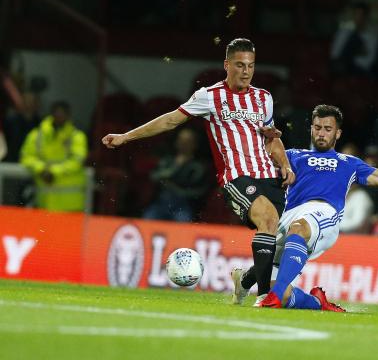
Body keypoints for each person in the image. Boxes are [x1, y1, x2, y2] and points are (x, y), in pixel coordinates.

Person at [102, 38, 295, 301]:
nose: (246, 71)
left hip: (269, 177)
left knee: (274, 236)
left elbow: (272, 139)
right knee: (268, 220)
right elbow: (170, 120)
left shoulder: (264, 99)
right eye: (239, 65)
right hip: (237, 177)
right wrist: (126, 136)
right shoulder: (210, 96)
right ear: (226, 65)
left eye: (250, 66)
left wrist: (284, 164)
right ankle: (265, 297)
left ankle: (244, 280)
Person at [232, 105, 378, 311]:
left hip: (324, 213)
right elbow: (258, 155)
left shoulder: (349, 163)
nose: (321, 133)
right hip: (291, 215)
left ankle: (272, 296)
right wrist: (265, 138)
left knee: (299, 229)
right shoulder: (292, 156)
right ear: (311, 129)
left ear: (338, 133)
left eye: (328, 129)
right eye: (318, 127)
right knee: (284, 286)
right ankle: (266, 287)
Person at [20, 101, 88, 211]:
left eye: (62, 114)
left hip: (70, 204)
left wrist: (53, 171)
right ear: (51, 114)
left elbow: (78, 160)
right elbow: (26, 157)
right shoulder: (38, 134)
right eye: (57, 113)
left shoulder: (77, 136)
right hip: (44, 201)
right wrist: (41, 169)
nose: (59, 117)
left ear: (68, 115)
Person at [142, 128, 209, 222]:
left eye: (188, 141)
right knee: (147, 221)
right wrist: (177, 166)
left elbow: (199, 192)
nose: (183, 144)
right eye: (181, 140)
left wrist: (177, 190)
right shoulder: (167, 161)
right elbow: (154, 177)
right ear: (177, 142)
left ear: (194, 144)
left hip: (182, 208)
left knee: (183, 227)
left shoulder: (197, 167)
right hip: (160, 205)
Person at [330, 2, 378, 76]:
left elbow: (367, 62)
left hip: (359, 70)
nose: (358, 18)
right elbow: (335, 54)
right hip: (341, 66)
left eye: (361, 15)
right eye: (356, 14)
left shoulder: (372, 37)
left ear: (366, 17)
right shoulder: (344, 32)